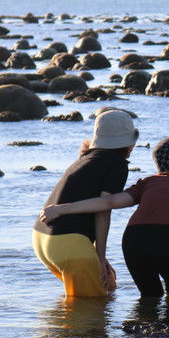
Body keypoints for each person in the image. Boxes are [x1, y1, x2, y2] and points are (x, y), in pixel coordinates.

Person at [40, 136, 169, 300]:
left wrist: (61, 209)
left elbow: (109, 202)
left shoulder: (148, 182)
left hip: (135, 241)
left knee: (149, 298)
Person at [33, 110, 138, 298]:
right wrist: (100, 258)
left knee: (102, 290)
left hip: (42, 238)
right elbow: (104, 208)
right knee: (92, 306)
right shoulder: (117, 164)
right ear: (128, 142)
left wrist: (98, 254)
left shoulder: (84, 159)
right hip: (68, 243)